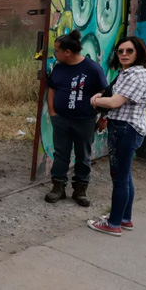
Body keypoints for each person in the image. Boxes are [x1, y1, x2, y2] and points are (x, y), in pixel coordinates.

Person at [88, 36, 146, 236]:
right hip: (125, 128)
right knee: (125, 177)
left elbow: (116, 102)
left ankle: (114, 223)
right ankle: (124, 219)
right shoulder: (128, 73)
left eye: (129, 51)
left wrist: (97, 100)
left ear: (139, 53)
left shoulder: (137, 74)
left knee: (119, 178)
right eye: (120, 51)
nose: (124, 54)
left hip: (126, 130)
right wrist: (104, 98)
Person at [45, 30, 108, 206]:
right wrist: (52, 113)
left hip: (85, 121)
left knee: (83, 156)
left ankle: (80, 190)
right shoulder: (59, 68)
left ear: (67, 52)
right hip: (61, 120)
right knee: (61, 155)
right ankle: (58, 188)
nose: (54, 54)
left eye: (57, 50)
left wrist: (103, 117)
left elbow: (104, 93)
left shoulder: (92, 69)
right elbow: (52, 89)